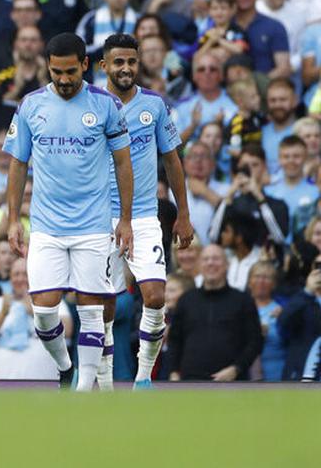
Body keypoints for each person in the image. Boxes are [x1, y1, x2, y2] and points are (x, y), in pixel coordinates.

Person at [2, 33, 134, 391]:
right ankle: (65, 365)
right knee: (44, 313)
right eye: (56, 72)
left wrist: (124, 219)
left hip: (93, 224)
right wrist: (13, 219)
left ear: (85, 65)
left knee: (92, 310)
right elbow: (17, 163)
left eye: (70, 72)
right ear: (48, 67)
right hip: (46, 227)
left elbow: (123, 163)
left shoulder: (106, 105)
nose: (63, 79)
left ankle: (82, 391)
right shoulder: (31, 105)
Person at [99, 33, 192, 390]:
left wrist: (182, 213)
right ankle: (104, 376)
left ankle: (143, 377)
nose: (126, 68)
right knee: (103, 302)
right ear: (104, 65)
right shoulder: (89, 103)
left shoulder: (153, 105)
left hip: (142, 215)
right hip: (98, 217)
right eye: (118, 62)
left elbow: (172, 160)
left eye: (132, 62)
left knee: (155, 296)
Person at [167, 243, 263, 381]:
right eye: (206, 259)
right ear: (200, 265)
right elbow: (175, 341)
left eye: (216, 259)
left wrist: (236, 369)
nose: (211, 263)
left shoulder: (243, 300)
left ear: (227, 265)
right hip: (190, 383)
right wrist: (173, 371)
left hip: (232, 383)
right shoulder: (186, 300)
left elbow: (255, 341)